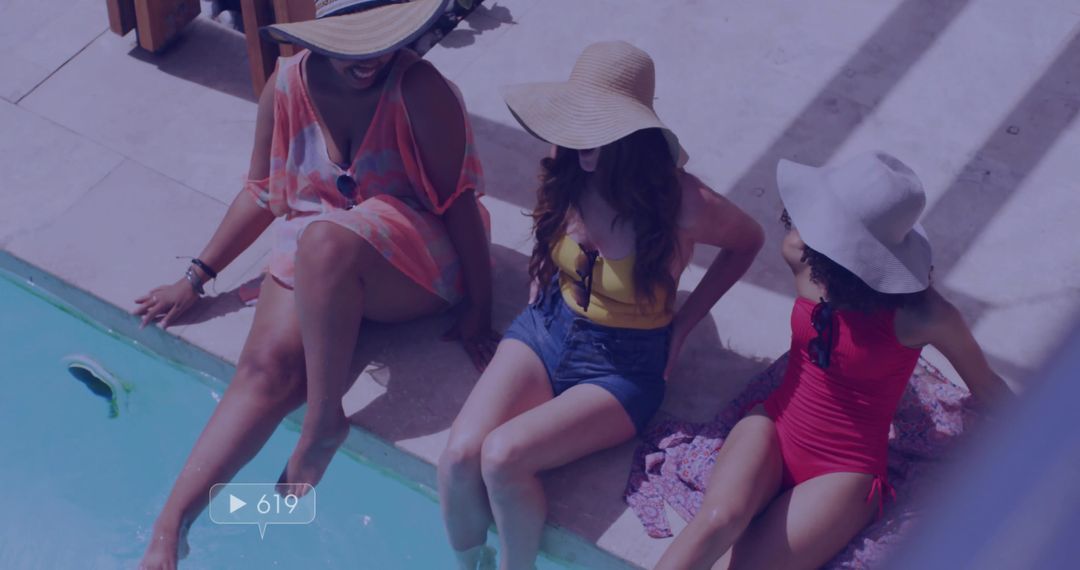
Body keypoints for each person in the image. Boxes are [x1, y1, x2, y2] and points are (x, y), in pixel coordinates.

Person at [135, 1, 497, 567]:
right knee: (267, 368)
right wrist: (196, 277)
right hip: (320, 245)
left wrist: (482, 305)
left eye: (379, 39)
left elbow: (459, 206)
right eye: (352, 41)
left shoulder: (419, 89)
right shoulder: (286, 85)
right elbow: (262, 191)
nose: (369, 57)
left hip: (417, 253)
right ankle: (172, 525)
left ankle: (324, 421)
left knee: (324, 242)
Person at [437, 41, 766, 570]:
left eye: (594, 125)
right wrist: (543, 268)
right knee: (457, 460)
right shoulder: (568, 160)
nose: (576, 138)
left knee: (503, 459)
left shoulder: (683, 202)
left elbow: (748, 241)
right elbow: (549, 221)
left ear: (632, 133)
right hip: (547, 326)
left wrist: (682, 327)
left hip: (623, 365)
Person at [656, 151, 1015, 570]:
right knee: (716, 521)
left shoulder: (926, 315)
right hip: (773, 424)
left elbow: (986, 385)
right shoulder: (803, 256)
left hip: (845, 471)